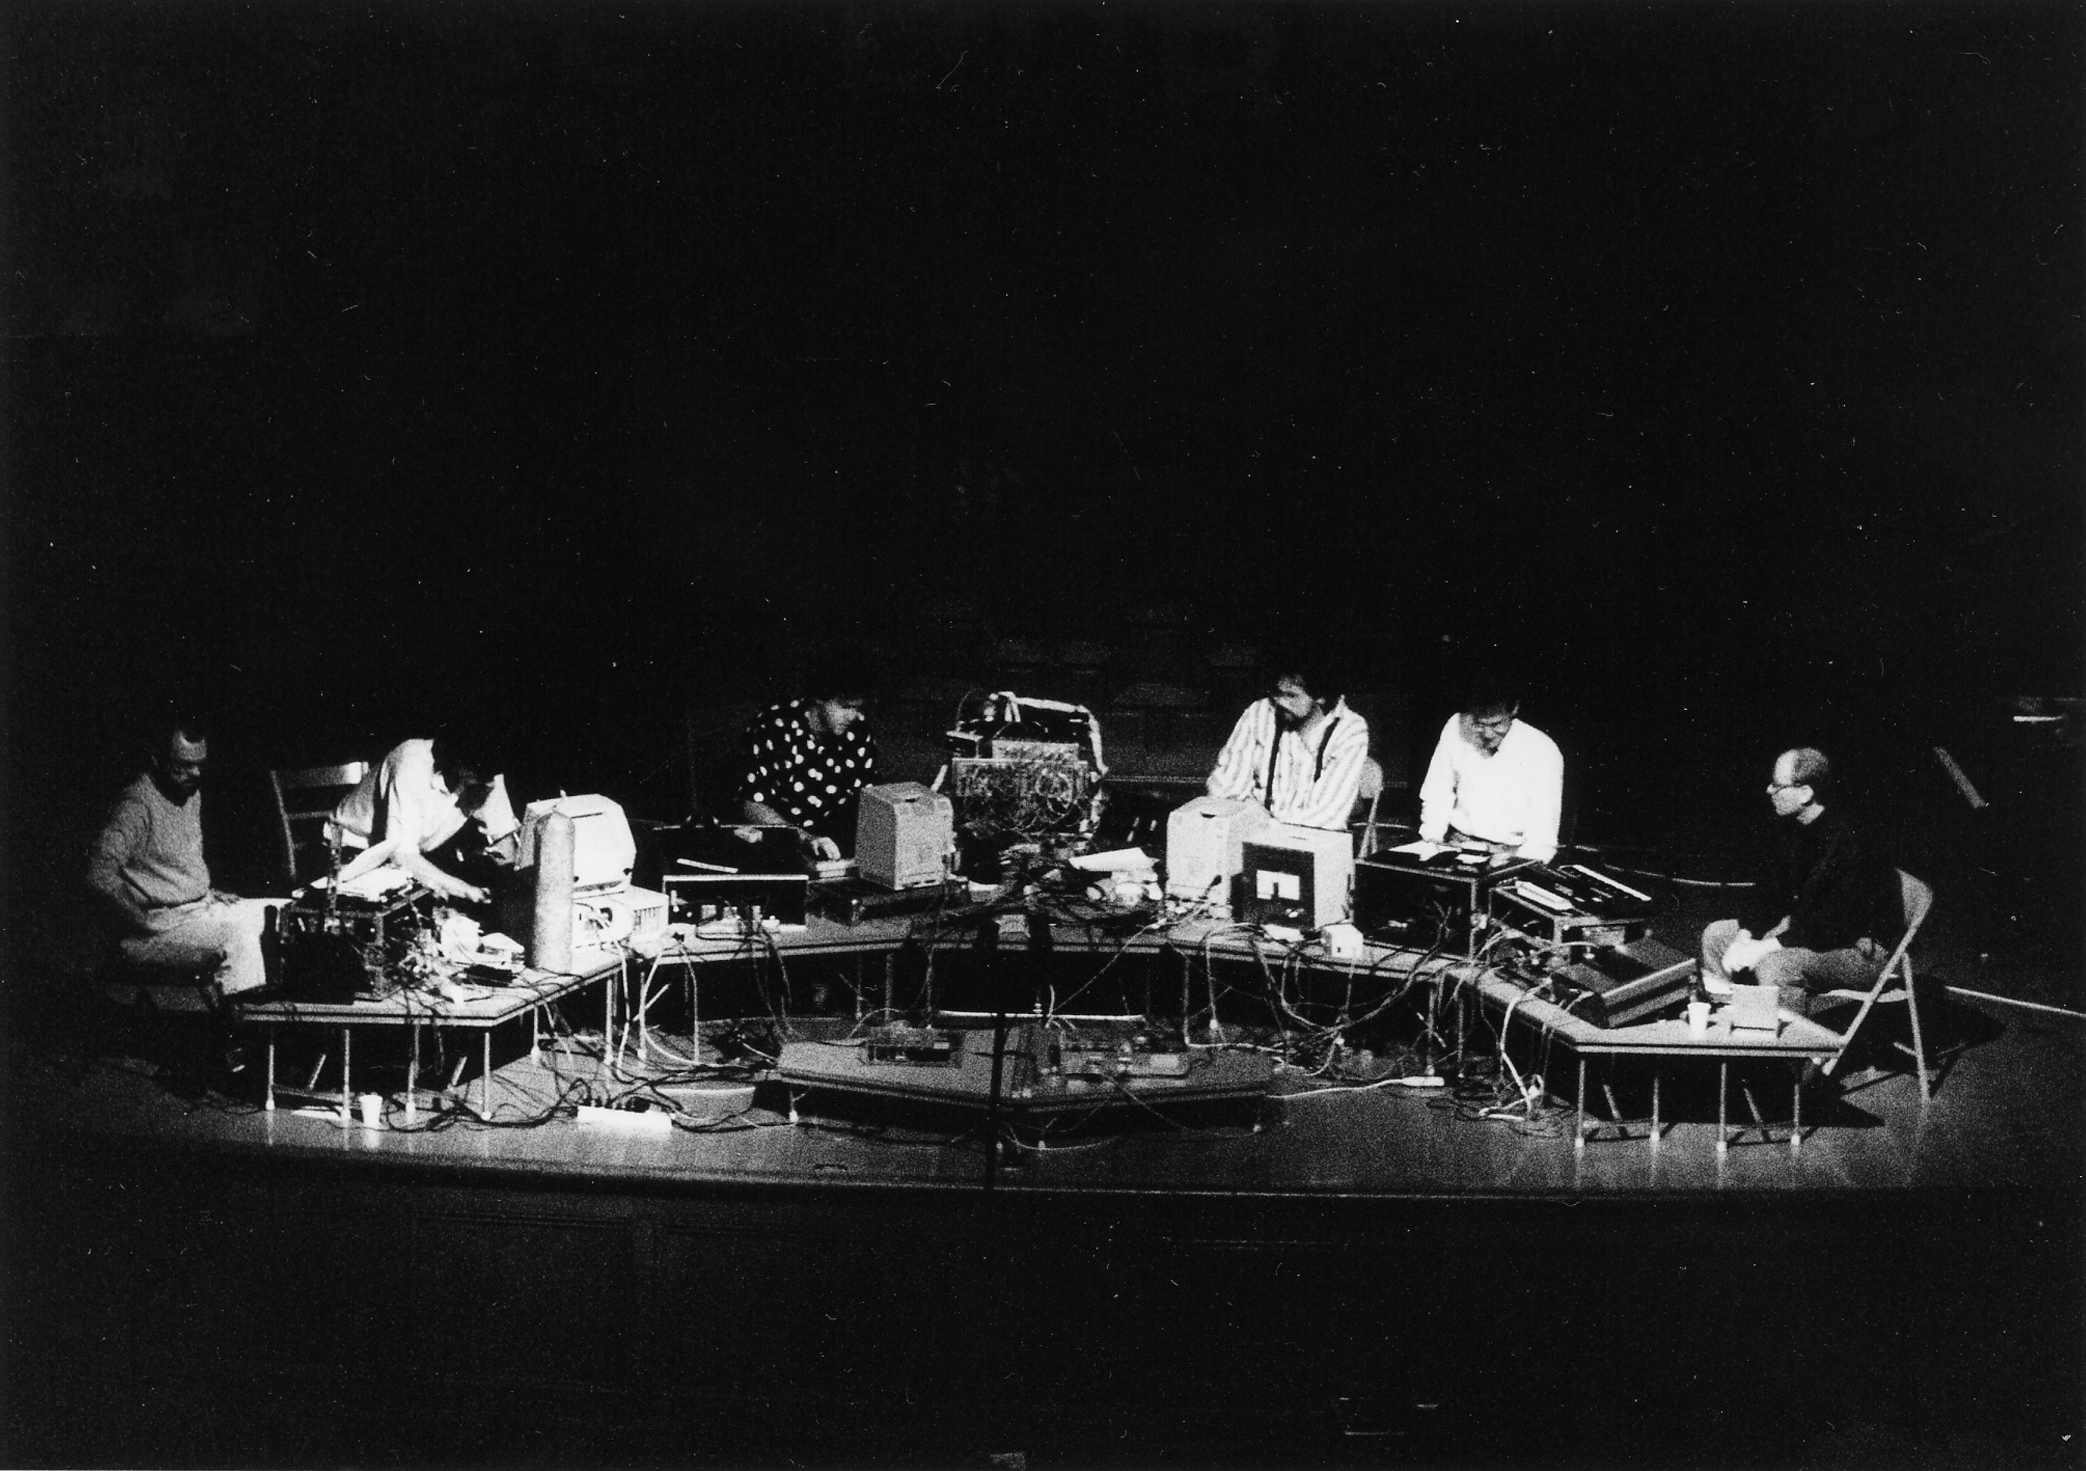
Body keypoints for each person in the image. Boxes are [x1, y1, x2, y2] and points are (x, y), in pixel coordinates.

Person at [1700, 747, 1903, 1014]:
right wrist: (1744, 936)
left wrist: (1764, 948)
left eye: (1777, 785)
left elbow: (1834, 925)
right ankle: (1739, 1018)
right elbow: (1769, 892)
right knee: (1715, 936)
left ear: (1806, 793)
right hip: (1811, 931)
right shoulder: (1793, 828)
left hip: (1861, 950)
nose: (1768, 790)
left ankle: (1790, 1049)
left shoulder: (1852, 841)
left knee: (1775, 965)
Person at [86, 720, 277, 997]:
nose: (196, 772)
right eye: (184, 765)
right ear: (157, 760)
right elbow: (97, 874)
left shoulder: (189, 791)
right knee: (241, 939)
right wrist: (142, 919)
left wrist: (201, 890)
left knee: (277, 912)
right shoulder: (136, 806)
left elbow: (171, 860)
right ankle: (236, 1031)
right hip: (157, 930)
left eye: (200, 764)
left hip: (198, 909)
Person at [330, 733, 520, 904]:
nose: (487, 781)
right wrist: (466, 890)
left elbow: (503, 837)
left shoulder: (485, 768)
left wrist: (509, 888)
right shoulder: (411, 763)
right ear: (457, 758)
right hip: (349, 858)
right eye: (477, 772)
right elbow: (401, 853)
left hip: (416, 858)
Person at [734, 650, 880, 865]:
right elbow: (753, 804)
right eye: (845, 707)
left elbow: (868, 800)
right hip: (773, 843)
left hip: (832, 849)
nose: (854, 716)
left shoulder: (858, 732)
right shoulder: (776, 726)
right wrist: (805, 839)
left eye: (858, 707)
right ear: (819, 699)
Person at [1206, 655, 1372, 832]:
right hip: (1253, 830)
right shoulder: (1259, 712)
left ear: (1321, 696)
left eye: (1291, 696)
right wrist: (1246, 817)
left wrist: (1267, 824)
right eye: (1277, 693)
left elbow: (1327, 815)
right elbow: (1226, 787)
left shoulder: (1350, 730)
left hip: (1309, 839)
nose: (1280, 702)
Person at [1416, 678, 1564, 862]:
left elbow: (1542, 834)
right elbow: (1437, 790)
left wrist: (1519, 867)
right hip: (1457, 845)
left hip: (1510, 854)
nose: (1487, 734)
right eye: (1479, 724)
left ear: (1514, 710)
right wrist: (1431, 841)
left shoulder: (1542, 750)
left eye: (1496, 725)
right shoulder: (1456, 725)